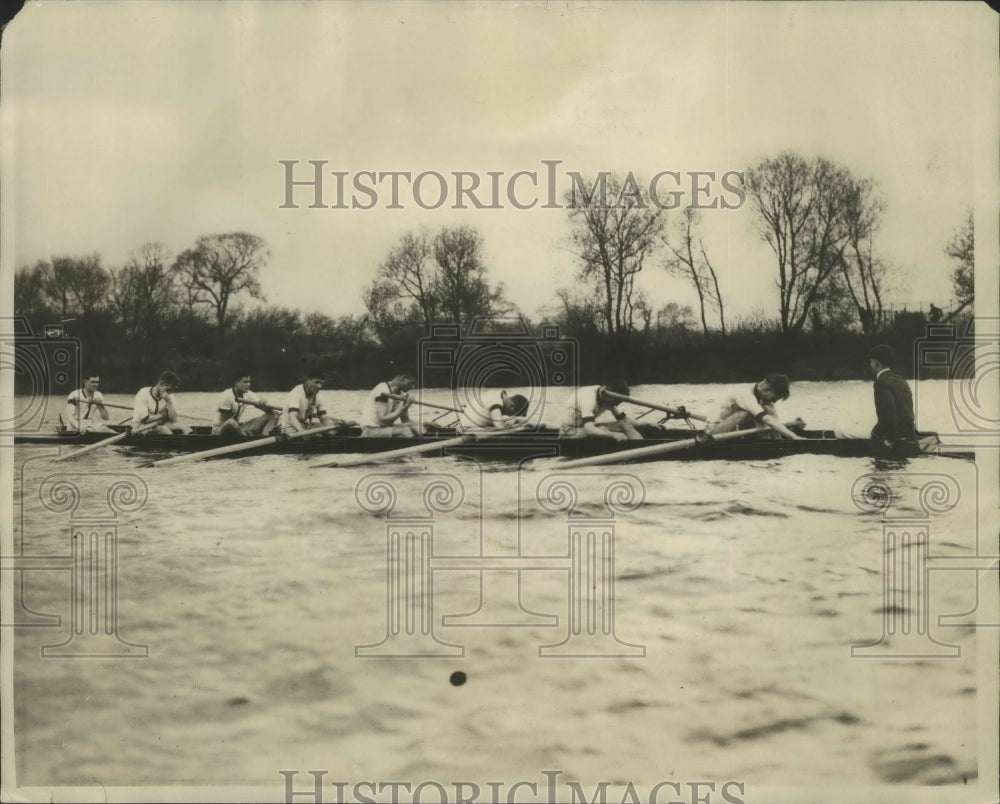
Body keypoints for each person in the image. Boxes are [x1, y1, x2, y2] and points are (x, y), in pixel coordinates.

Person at [708, 374, 806, 440]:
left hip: (731, 427)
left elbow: (771, 419)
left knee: (768, 407)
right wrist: (794, 436)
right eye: (776, 397)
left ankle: (775, 439)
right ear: (767, 389)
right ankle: (767, 440)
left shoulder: (757, 394)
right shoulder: (745, 394)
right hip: (713, 432)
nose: (775, 401)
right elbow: (767, 420)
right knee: (752, 413)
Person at [559, 379, 642, 441]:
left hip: (582, 429)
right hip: (568, 433)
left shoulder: (605, 395)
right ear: (608, 393)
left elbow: (624, 420)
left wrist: (648, 423)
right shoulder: (589, 399)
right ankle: (639, 449)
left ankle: (639, 446)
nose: (616, 405)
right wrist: (613, 434)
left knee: (624, 423)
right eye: (616, 401)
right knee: (610, 429)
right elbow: (590, 430)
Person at [869, 344, 917, 449]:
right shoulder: (901, 380)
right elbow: (907, 409)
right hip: (909, 432)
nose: (870, 365)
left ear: (877, 363)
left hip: (896, 436)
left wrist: (889, 440)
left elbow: (888, 411)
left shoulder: (881, 382)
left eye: (871, 361)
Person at [279, 371, 348, 435]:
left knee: (333, 433)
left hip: (304, 428)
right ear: (308, 381)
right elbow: (292, 418)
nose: (319, 386)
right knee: (320, 436)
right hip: (288, 430)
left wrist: (337, 423)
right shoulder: (297, 393)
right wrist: (303, 433)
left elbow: (324, 421)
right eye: (316, 382)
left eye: (321, 383)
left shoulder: (318, 398)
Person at [213, 373, 279, 438]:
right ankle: (247, 438)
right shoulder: (226, 396)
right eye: (245, 382)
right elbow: (226, 423)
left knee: (274, 414)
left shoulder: (248, 394)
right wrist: (239, 427)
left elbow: (268, 411)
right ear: (236, 383)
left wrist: (262, 403)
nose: (249, 384)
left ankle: (264, 437)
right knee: (231, 422)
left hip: (238, 429)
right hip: (220, 431)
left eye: (249, 382)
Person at [359, 373, 423, 437]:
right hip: (370, 430)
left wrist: (423, 423)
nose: (413, 387)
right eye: (412, 383)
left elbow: (405, 420)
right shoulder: (382, 389)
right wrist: (403, 407)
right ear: (404, 379)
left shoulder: (401, 394)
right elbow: (383, 419)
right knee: (404, 431)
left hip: (384, 428)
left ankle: (425, 439)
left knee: (416, 427)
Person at [132, 371, 184, 435]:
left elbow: (173, 419)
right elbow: (146, 419)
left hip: (158, 424)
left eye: (171, 390)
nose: (169, 393)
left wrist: (170, 402)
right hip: (141, 427)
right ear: (161, 384)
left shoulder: (168, 396)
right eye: (168, 389)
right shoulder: (143, 393)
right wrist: (163, 415)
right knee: (163, 429)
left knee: (184, 427)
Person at [464, 390, 530, 429]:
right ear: (512, 407)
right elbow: (498, 426)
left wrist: (516, 419)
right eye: (511, 414)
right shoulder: (496, 401)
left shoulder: (501, 396)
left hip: (473, 426)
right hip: (467, 429)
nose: (509, 415)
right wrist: (515, 421)